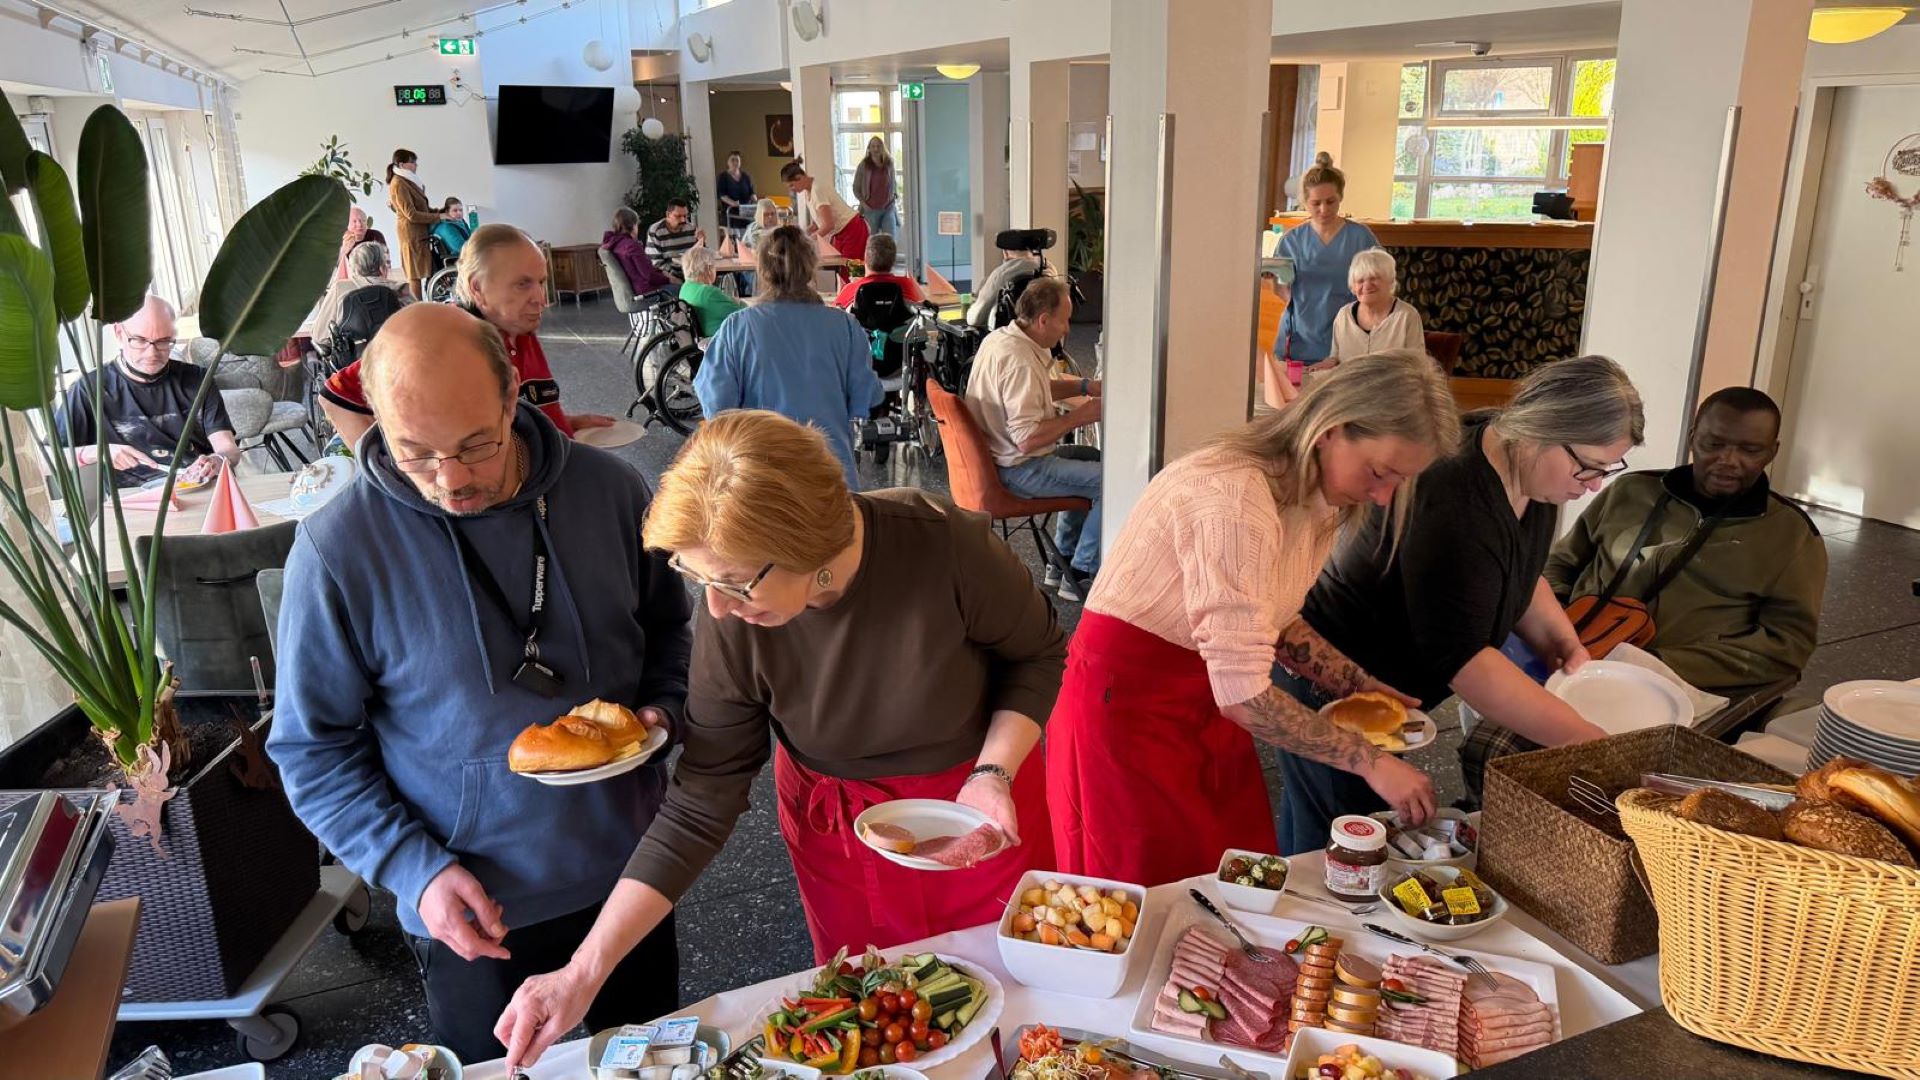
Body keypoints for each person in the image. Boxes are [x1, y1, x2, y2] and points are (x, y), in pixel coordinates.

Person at [491, 410, 1065, 1069]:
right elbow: (703, 796)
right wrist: (584, 970)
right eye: (700, 579)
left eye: (733, 583)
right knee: (874, 1018)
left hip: (973, 800)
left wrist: (993, 773)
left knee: (1007, 1012)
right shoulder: (737, 616)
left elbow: (1040, 653)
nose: (716, 609)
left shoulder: (943, 545)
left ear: (810, 548)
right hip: (839, 829)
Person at [269, 303, 691, 1065]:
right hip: (473, 910)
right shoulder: (337, 550)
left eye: (476, 446)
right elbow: (311, 749)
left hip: (630, 875)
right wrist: (414, 873)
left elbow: (670, 632)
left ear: (512, 396)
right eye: (416, 454)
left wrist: (665, 708)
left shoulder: (613, 494)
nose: (452, 480)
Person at [1047, 352, 1459, 885]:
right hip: (1124, 708)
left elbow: (1272, 619)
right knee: (1143, 894)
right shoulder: (1233, 497)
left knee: (1221, 881)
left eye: (1398, 482)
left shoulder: (1312, 496)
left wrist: (1361, 685)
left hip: (1205, 702)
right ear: (1329, 431)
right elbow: (1243, 694)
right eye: (1379, 473)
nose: (1382, 495)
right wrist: (1368, 760)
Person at [1279, 356, 1639, 845]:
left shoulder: (1533, 476)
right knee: (1338, 835)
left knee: (1357, 828)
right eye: (1588, 466)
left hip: (1398, 690)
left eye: (1607, 470)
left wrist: (1560, 638)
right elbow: (1465, 661)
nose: (1594, 484)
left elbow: (1515, 570)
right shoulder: (1455, 497)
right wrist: (1582, 738)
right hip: (1337, 673)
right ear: (1541, 430)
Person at [1543, 387, 1825, 697]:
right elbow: (1560, 563)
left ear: (1772, 452)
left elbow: (1787, 647)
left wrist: (1658, 664)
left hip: (1675, 687)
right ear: (1692, 438)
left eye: (1750, 450)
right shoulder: (1631, 490)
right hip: (1569, 654)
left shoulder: (1791, 534)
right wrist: (1556, 622)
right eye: (1713, 444)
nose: (1728, 460)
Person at [322, 224, 617, 449]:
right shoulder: (439, 334)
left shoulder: (517, 329)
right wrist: (394, 477)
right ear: (477, 288)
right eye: (522, 284)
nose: (541, 298)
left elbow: (521, 412)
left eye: (541, 282)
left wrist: (565, 425)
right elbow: (336, 397)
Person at [695, 225, 883, 490]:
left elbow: (716, 407)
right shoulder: (846, 327)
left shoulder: (736, 328)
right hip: (831, 474)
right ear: (811, 267)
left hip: (761, 477)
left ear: (761, 270)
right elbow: (866, 397)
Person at [965, 278, 1103, 600]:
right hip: (1019, 468)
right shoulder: (1020, 362)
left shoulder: (1002, 339)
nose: (1067, 328)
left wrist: (1085, 387)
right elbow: (1027, 440)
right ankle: (1081, 574)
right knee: (1113, 481)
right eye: (1065, 319)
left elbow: (1035, 389)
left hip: (998, 458)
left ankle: (1061, 562)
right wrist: (1082, 415)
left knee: (1090, 457)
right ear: (1044, 320)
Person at [58, 294, 239, 487]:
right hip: (132, 502)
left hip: (199, 487)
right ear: (119, 333)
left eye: (163, 341)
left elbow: (229, 448)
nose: (152, 353)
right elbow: (46, 462)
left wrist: (218, 460)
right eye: (140, 340)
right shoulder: (89, 389)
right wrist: (100, 452)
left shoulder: (198, 379)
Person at [1275, 153, 1379, 367]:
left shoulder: (1361, 237)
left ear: (1340, 197)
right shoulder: (1292, 241)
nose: (1324, 210)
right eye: (1316, 203)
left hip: (1350, 337)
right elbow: (1280, 289)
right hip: (1301, 337)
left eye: (1331, 201)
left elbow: (1382, 285)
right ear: (1305, 202)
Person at [1327, 248, 1424, 365]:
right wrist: (1328, 363)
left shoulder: (1407, 316)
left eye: (1374, 278)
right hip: (1348, 382)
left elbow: (1418, 365)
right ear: (1353, 286)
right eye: (1360, 280)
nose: (1367, 286)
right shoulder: (1344, 315)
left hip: (1393, 383)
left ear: (1391, 281)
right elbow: (1335, 357)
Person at [312, 240, 411, 346]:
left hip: (354, 359)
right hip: (393, 356)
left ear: (354, 269)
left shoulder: (340, 288)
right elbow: (417, 328)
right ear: (382, 269)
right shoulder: (400, 289)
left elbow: (319, 336)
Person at [780, 159, 868, 274]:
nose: (792, 189)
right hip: (840, 233)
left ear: (799, 177)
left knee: (853, 271)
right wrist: (801, 234)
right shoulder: (808, 193)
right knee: (839, 268)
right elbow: (817, 224)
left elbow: (828, 225)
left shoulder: (817, 189)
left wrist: (807, 240)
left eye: (792, 185)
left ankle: (855, 291)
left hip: (852, 229)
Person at [387, 148, 438, 296]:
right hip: (410, 234)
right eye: (413, 162)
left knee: (421, 271)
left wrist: (441, 212)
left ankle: (423, 306)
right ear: (402, 164)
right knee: (414, 274)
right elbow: (411, 214)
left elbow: (423, 208)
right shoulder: (398, 183)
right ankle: (417, 308)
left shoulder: (409, 181)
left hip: (419, 232)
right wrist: (439, 217)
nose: (416, 166)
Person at [832, 233, 925, 308]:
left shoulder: (852, 289)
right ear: (893, 261)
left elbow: (836, 315)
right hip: (902, 331)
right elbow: (924, 308)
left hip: (862, 331)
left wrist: (840, 293)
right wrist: (913, 283)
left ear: (866, 258)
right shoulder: (907, 285)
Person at [602, 207, 674, 301]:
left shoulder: (615, 244)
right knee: (682, 291)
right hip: (646, 291)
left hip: (633, 290)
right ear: (633, 225)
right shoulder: (632, 246)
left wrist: (662, 273)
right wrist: (668, 279)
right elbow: (649, 276)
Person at [967, 242, 1043, 330]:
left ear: (1005, 253)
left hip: (1009, 336)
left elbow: (975, 319)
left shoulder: (1002, 274)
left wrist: (973, 304)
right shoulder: (1048, 269)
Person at [678, 246, 744, 338]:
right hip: (722, 339)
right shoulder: (708, 293)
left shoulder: (685, 287)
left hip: (702, 339)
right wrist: (741, 302)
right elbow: (742, 314)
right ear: (708, 269)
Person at [646, 199, 705, 283]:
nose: (683, 220)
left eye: (685, 216)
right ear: (668, 214)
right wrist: (676, 279)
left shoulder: (691, 228)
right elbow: (655, 263)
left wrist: (701, 241)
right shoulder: (656, 231)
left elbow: (700, 256)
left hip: (692, 275)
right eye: (678, 216)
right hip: (670, 277)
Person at [853, 135, 898, 236]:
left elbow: (893, 182)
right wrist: (864, 204)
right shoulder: (863, 166)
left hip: (888, 207)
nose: (876, 149)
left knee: (890, 239)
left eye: (878, 146)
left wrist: (894, 196)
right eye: (873, 146)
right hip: (871, 210)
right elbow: (856, 188)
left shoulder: (889, 163)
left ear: (882, 148)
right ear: (869, 148)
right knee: (872, 242)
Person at [336, 206, 388, 280]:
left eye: (363, 221)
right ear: (347, 224)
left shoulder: (376, 235)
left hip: (376, 278)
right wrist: (344, 251)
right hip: (351, 280)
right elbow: (336, 269)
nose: (359, 225)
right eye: (354, 221)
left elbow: (385, 260)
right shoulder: (340, 239)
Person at [716, 151, 756, 237]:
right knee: (734, 240)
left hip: (745, 213)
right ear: (728, 162)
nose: (735, 162)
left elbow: (752, 192)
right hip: (731, 215)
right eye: (732, 160)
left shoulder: (746, 176)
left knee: (747, 239)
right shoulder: (723, 176)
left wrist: (755, 199)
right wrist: (733, 203)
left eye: (737, 160)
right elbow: (721, 195)